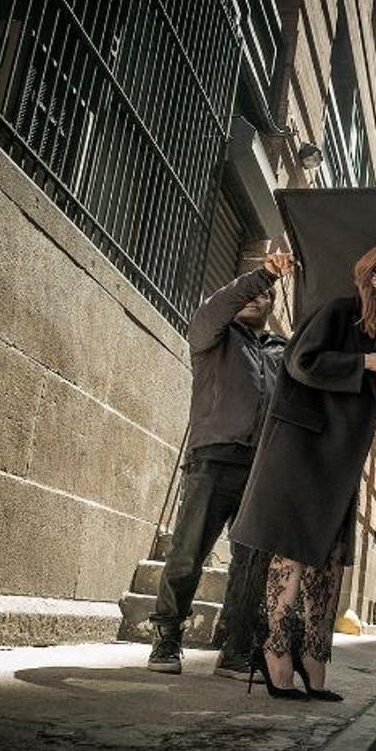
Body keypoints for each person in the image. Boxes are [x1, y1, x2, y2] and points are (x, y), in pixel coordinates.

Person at [229, 241, 376, 701]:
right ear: (375, 277)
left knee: (329, 562)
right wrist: (363, 363)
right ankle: (275, 655)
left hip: (342, 455)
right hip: (301, 450)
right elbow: (301, 363)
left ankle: (315, 660)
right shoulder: (336, 312)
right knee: (291, 554)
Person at [148, 253, 295, 679]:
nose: (256, 297)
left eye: (266, 294)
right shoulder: (213, 335)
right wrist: (264, 274)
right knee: (187, 553)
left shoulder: (280, 352)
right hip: (211, 460)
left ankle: (233, 651)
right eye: (251, 290)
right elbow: (217, 306)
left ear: (273, 307)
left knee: (250, 565)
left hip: (259, 472)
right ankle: (167, 639)